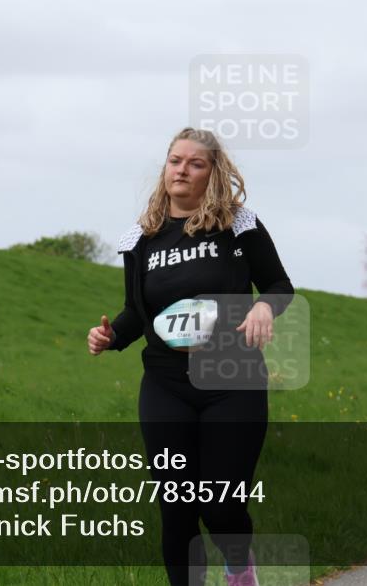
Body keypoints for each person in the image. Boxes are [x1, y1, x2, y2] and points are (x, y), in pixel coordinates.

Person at [87, 127, 294, 586]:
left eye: (195, 163)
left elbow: (280, 286)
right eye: (175, 160)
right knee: (177, 506)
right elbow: (137, 313)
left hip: (232, 379)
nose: (182, 169)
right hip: (165, 385)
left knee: (221, 502)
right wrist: (109, 337)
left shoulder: (239, 226)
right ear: (165, 169)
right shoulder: (139, 239)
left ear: (213, 173)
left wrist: (263, 306)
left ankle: (239, 568)